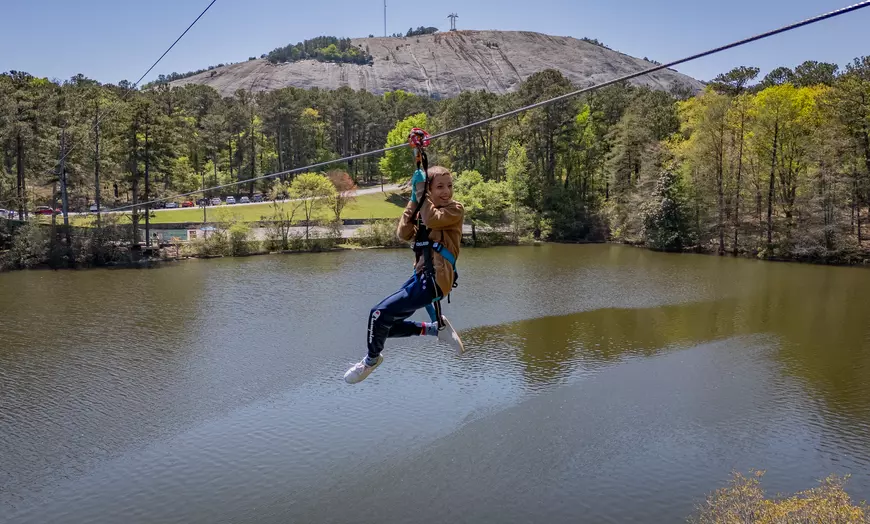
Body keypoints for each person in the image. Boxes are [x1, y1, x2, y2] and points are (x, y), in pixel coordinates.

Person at [344, 165, 465, 384]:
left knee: (378, 314)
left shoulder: (454, 209)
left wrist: (421, 194)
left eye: (449, 186)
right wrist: (413, 201)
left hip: (437, 279)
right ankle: (434, 330)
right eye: (439, 187)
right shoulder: (423, 210)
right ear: (429, 190)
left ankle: (371, 360)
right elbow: (404, 233)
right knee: (384, 327)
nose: (446, 191)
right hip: (423, 277)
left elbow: (433, 219)